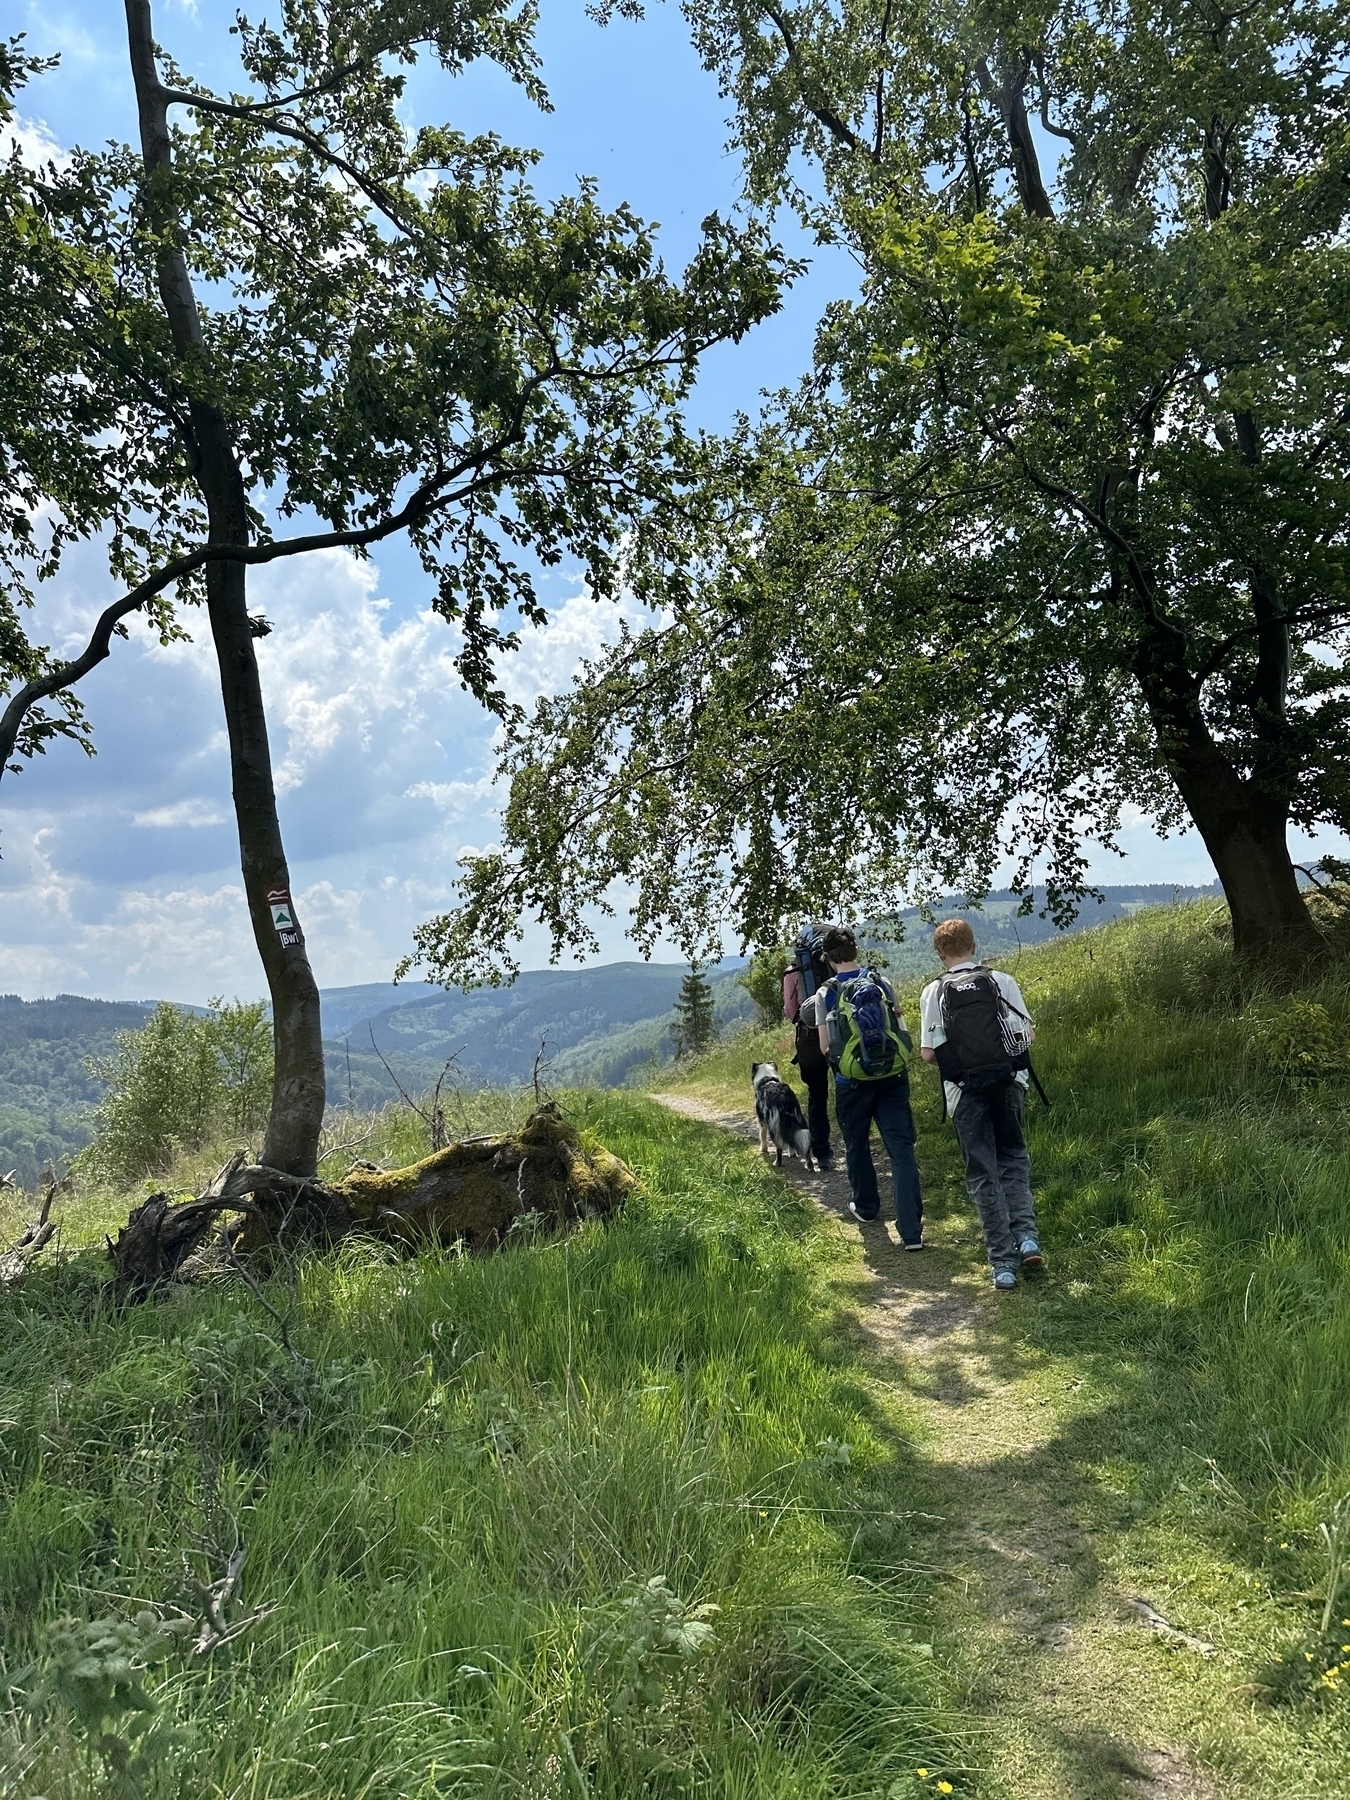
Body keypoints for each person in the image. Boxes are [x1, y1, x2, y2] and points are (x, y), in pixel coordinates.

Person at [919, 919, 1043, 1292]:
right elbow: (1027, 1034)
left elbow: (928, 1053)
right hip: (1008, 1084)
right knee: (1013, 1158)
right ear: (974, 945)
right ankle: (1027, 1237)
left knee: (982, 1173)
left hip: (964, 1093)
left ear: (940, 953)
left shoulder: (933, 992)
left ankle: (1002, 1263)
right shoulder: (1000, 981)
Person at [815, 925, 924, 1248]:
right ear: (855, 951)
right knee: (901, 1150)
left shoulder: (827, 992)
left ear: (827, 958)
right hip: (892, 1076)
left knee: (857, 1144)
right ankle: (912, 1232)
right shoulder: (881, 983)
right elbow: (899, 1030)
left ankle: (866, 1207)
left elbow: (825, 1047)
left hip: (851, 1082)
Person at [782, 926, 833, 1170]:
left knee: (817, 1096)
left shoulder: (794, 971)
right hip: (839, 1034)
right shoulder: (835, 962)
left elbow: (791, 1011)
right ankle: (858, 1146)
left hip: (810, 1038)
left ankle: (823, 1154)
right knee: (849, 1092)